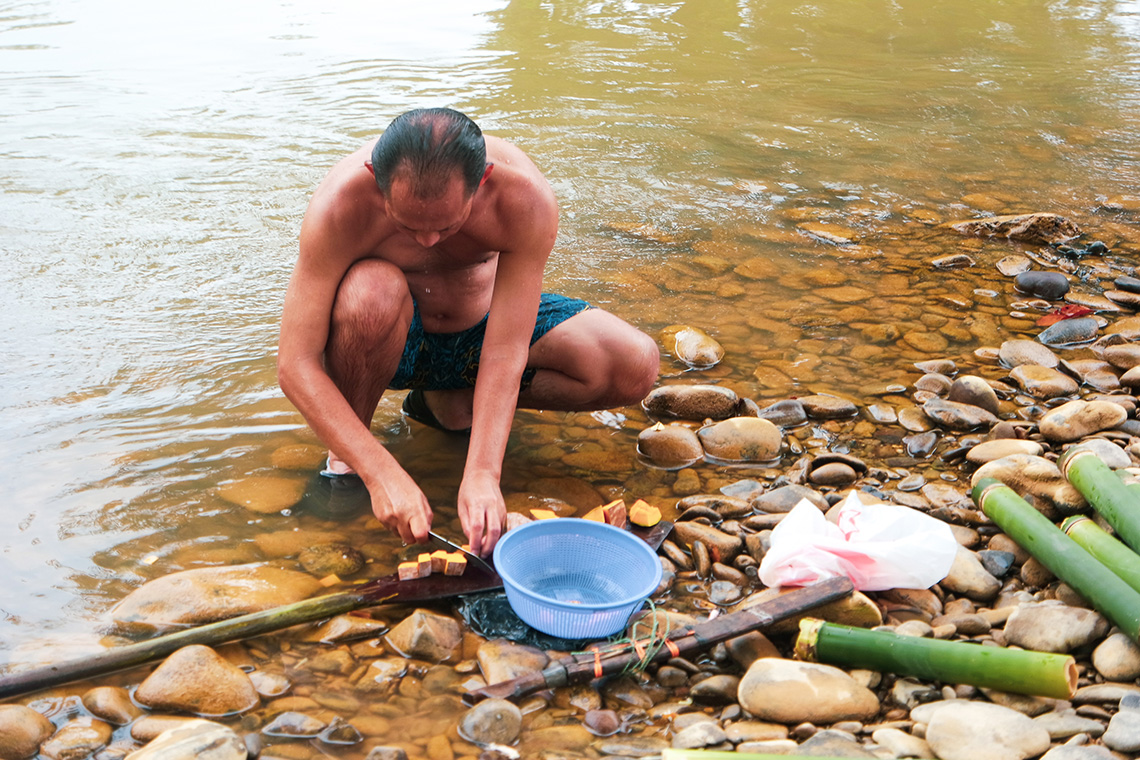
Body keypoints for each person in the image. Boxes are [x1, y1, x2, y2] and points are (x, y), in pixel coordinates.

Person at [277, 108, 659, 556]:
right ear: (373, 178)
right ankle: (347, 460)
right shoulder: (340, 206)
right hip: (390, 342)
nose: (427, 242)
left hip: (480, 337)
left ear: (483, 182)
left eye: (446, 226)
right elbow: (294, 363)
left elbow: (504, 350)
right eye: (406, 226)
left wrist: (482, 473)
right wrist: (381, 472)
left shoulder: (524, 200)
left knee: (633, 362)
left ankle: (450, 403)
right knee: (370, 292)